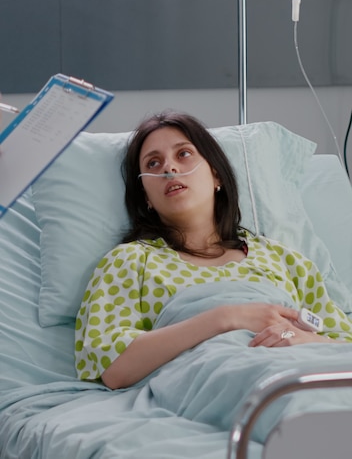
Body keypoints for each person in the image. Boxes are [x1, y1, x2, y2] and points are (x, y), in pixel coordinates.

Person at [75, 111, 352, 390]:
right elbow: (113, 368)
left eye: (183, 154)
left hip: (306, 373)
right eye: (154, 163)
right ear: (146, 196)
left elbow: (343, 345)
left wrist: (306, 339)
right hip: (217, 385)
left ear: (216, 174)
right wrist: (226, 318)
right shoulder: (130, 261)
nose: (169, 169)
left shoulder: (285, 259)